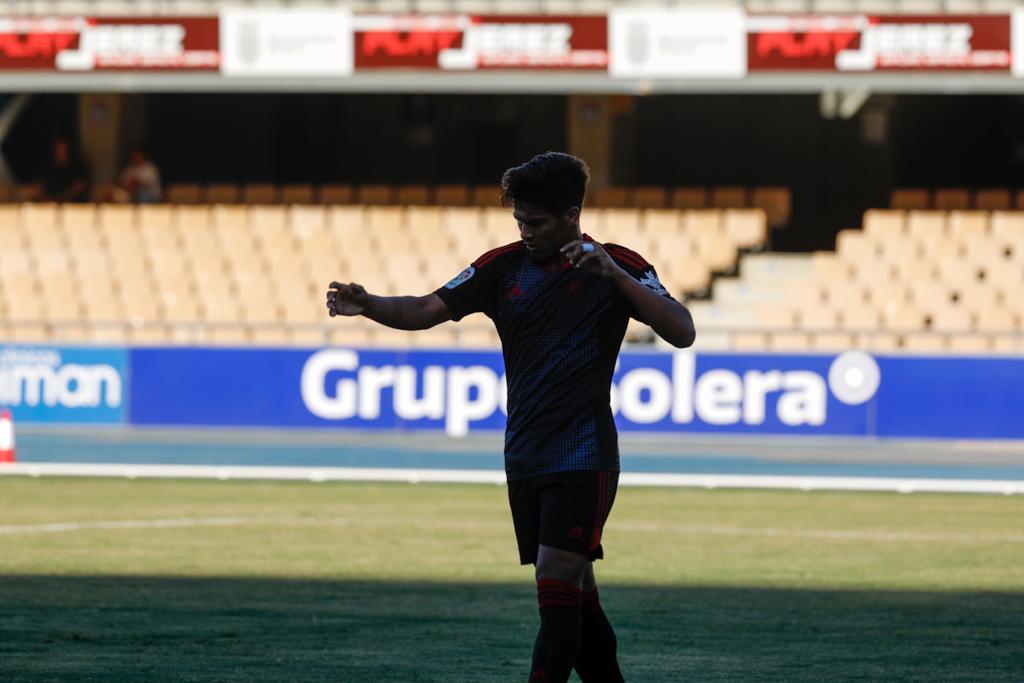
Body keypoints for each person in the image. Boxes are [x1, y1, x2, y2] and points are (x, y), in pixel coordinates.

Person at [325, 152, 695, 683]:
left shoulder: (619, 264)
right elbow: (426, 309)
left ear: (571, 215)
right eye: (519, 220)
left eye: (536, 222)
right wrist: (373, 304)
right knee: (577, 594)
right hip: (524, 455)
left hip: (584, 453)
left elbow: (682, 330)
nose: (525, 231)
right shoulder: (502, 266)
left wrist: (612, 274)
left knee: (555, 583)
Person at [39, 137, 88, 203]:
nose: (62, 153)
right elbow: (42, 190)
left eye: (64, 150)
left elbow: (80, 188)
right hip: (51, 205)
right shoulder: (48, 169)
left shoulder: (77, 168)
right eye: (59, 150)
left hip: (74, 206)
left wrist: (67, 195)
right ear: (54, 152)